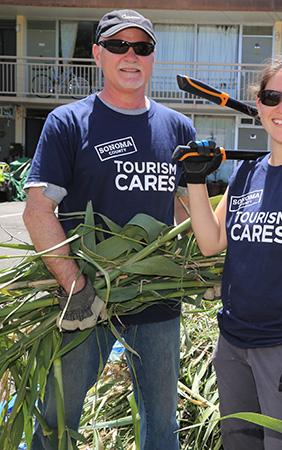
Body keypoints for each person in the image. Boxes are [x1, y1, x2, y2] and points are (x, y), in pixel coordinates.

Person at [23, 10, 196, 449]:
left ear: (153, 56)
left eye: (142, 47)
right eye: (118, 46)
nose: (131, 55)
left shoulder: (178, 128)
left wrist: (198, 263)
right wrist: (74, 286)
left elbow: (178, 209)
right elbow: (38, 212)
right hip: (87, 301)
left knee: (162, 425)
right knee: (58, 418)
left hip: (157, 302)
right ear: (98, 54)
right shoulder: (68, 122)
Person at [177, 55, 282, 450]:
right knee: (240, 444)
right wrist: (196, 180)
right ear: (259, 105)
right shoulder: (246, 172)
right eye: (272, 97)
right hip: (233, 342)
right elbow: (211, 242)